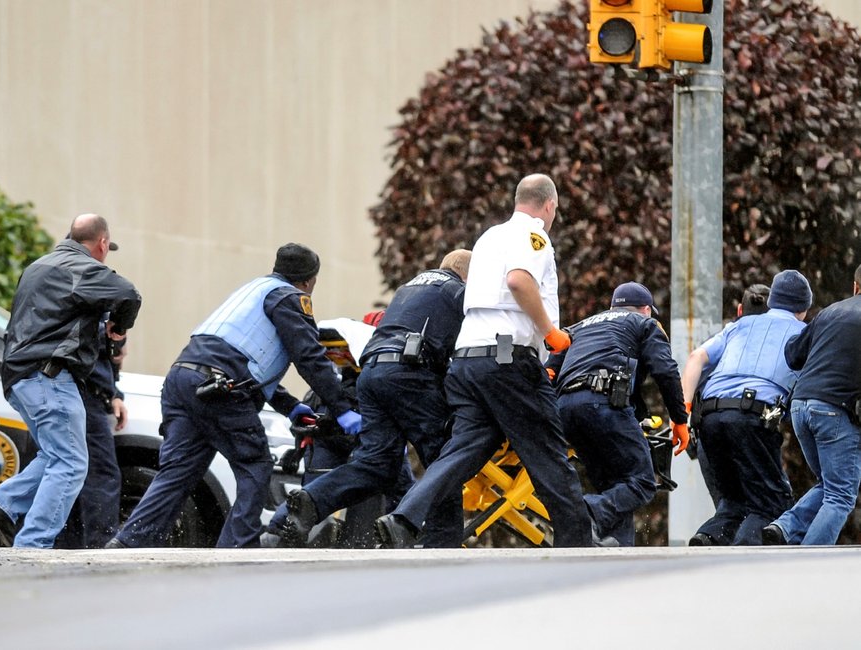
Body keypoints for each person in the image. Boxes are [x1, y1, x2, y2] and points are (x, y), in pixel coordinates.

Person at [375, 173, 593, 549]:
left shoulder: (488, 237)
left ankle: (405, 517)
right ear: (550, 205)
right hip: (509, 360)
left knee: (465, 449)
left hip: (468, 362)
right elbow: (520, 281)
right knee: (548, 453)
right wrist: (550, 333)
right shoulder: (533, 234)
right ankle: (579, 545)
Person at [107, 243, 362, 549]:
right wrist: (343, 408)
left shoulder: (252, 291)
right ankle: (235, 550)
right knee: (255, 464)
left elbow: (241, 357)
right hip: (219, 388)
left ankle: (128, 543)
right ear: (310, 281)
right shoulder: (290, 297)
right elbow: (308, 356)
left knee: (178, 472)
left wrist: (291, 406)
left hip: (183, 379)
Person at [278, 249, 472, 548]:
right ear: (467, 275)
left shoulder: (410, 288)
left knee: (376, 463)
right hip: (409, 374)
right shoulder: (458, 292)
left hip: (370, 374)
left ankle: (313, 499)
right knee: (443, 459)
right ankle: (441, 545)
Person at [0, 214, 142, 549]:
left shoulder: (38, 266)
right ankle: (33, 544)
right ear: (102, 244)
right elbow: (129, 293)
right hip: (48, 377)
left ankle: (3, 508)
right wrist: (118, 328)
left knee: (54, 456)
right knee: (71, 462)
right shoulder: (80, 267)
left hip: (21, 378)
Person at [547, 281, 689, 546]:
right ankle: (585, 512)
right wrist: (680, 420)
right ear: (646, 309)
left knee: (614, 487)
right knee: (643, 481)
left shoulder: (578, 328)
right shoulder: (645, 324)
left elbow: (548, 373)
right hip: (604, 404)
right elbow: (665, 371)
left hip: (565, 409)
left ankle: (611, 546)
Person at [680, 270, 810, 546]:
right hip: (754, 416)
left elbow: (695, 358)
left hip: (709, 417)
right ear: (804, 308)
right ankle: (741, 557)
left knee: (734, 502)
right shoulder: (805, 333)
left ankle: (708, 539)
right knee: (773, 503)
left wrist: (682, 414)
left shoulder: (739, 326)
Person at [763, 265, 861, 546]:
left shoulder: (828, 312)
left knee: (830, 484)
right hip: (836, 411)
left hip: (800, 407)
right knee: (840, 495)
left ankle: (784, 527)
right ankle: (807, 561)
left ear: (855, 287)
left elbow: (793, 354)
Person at [692, 283, 771, 509]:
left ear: (739, 310)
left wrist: (684, 417)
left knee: (728, 507)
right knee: (765, 506)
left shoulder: (725, 338)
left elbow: (694, 370)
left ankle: (710, 539)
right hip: (750, 426)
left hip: (710, 429)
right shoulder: (773, 341)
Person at [54, 320, 128, 549]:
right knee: (101, 474)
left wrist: (113, 393)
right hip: (83, 394)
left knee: (74, 472)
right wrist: (117, 338)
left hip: (84, 394)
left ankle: (69, 547)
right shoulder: (90, 295)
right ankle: (101, 548)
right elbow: (95, 347)